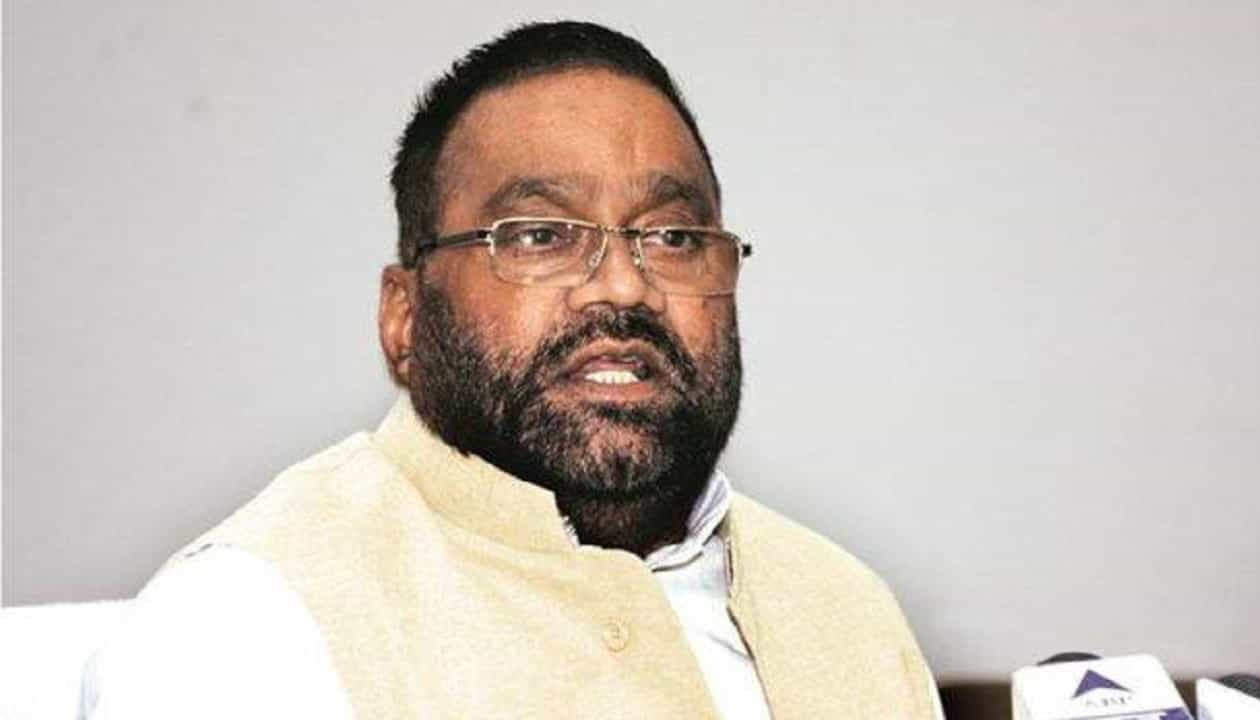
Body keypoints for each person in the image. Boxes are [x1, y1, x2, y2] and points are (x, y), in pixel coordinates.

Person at [81, 21, 942, 719]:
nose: (623, 285)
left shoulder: (847, 609)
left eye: (673, 237)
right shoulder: (244, 625)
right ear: (404, 317)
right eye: (539, 235)